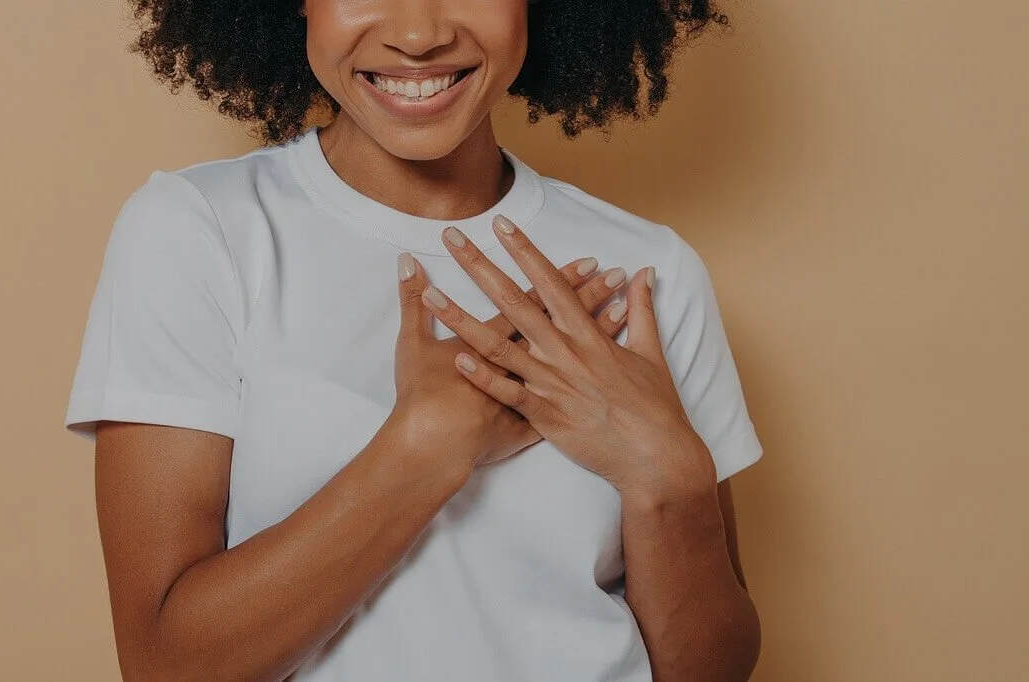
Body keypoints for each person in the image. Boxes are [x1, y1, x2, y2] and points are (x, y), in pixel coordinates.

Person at [63, 1, 763, 680]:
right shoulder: (202, 232)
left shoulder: (647, 270)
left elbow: (713, 670)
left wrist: (668, 474)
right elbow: (164, 666)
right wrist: (428, 443)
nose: (418, 32)